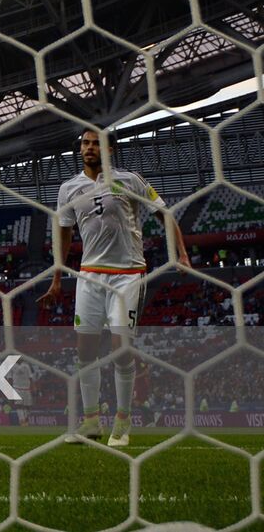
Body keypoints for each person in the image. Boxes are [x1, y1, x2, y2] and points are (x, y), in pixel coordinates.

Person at [39, 128, 190, 448]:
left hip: (128, 275)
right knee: (84, 353)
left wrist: (180, 252)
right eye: (85, 143)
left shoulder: (130, 180)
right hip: (89, 276)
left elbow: (165, 213)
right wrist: (57, 277)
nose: (90, 148)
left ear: (109, 150)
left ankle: (122, 422)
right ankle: (91, 421)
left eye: (96, 144)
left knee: (121, 350)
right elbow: (64, 234)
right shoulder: (68, 189)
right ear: (79, 148)